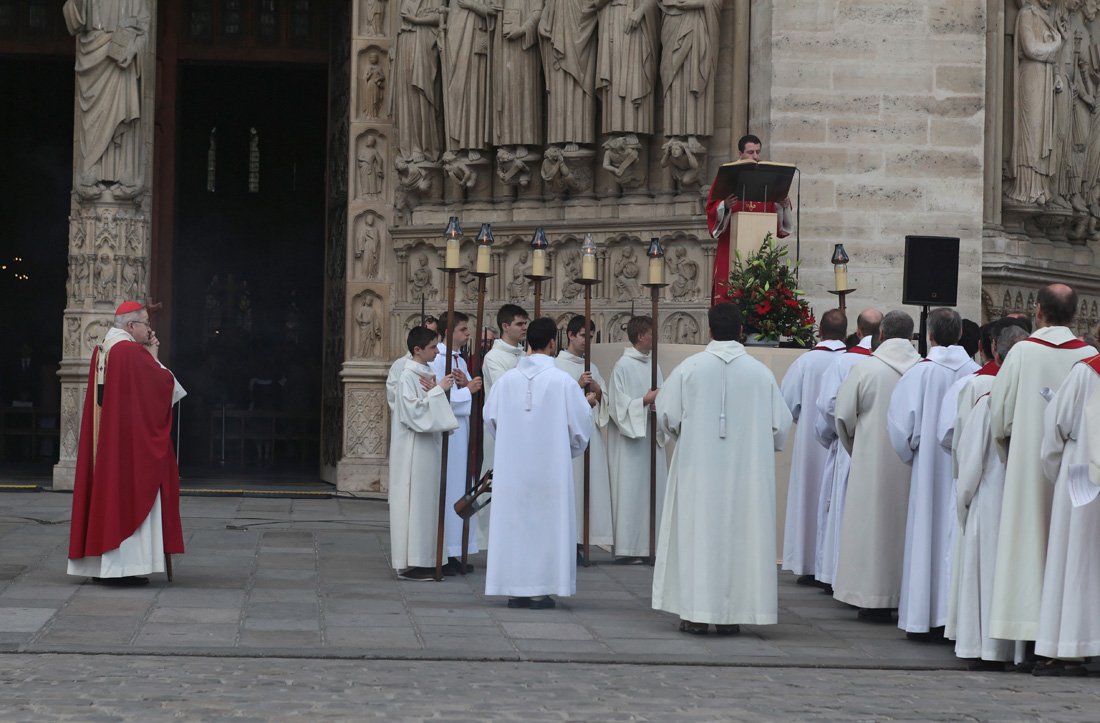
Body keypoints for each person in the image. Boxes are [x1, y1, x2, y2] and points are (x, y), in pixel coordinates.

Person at [651, 303, 793, 635]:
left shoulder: (690, 368)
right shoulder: (760, 373)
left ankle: (696, 613)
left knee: (698, 535)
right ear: (741, 330)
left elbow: (667, 415)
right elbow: (780, 426)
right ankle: (734, 615)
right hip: (747, 475)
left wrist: (690, 436)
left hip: (697, 472)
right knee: (741, 536)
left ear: (710, 330)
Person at [988, 284, 1097, 651]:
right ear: (1076, 314)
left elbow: (999, 415)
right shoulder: (1088, 356)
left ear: (1037, 311)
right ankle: (1063, 635)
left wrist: (1010, 452)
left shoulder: (1021, 353)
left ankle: (1026, 631)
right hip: (1079, 476)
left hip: (1027, 470)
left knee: (1027, 544)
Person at [68, 301, 187, 585]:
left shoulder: (104, 348)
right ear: (131, 326)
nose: (150, 328)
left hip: (111, 442)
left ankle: (102, 567)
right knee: (131, 494)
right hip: (129, 448)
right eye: (146, 323)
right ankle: (124, 568)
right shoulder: (130, 352)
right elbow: (163, 387)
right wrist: (154, 355)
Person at [484, 318, 592, 609]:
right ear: (553, 343)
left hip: (513, 469)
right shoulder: (563, 382)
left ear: (527, 342)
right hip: (550, 469)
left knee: (516, 524)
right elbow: (581, 428)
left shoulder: (506, 381)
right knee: (546, 524)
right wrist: (563, 450)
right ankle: (539, 589)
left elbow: (491, 420)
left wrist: (510, 444)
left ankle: (515, 588)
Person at [887, 308, 979, 640]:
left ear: (930, 336)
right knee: (955, 539)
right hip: (963, 471)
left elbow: (900, 428)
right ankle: (952, 618)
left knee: (927, 536)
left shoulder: (919, 373)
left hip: (928, 470)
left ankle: (923, 618)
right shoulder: (977, 373)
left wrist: (915, 454)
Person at [946, 323, 1028, 670]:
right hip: (1023, 504)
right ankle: (1019, 650)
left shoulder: (987, 401)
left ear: (996, 352)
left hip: (989, 500)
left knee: (986, 576)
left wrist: (963, 504)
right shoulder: (1035, 401)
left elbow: (968, 465)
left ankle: (987, 650)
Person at [832, 310, 921, 622]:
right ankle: (909, 597)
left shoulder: (865, 368)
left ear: (880, 335)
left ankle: (871, 597)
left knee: (872, 530)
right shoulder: (923, 370)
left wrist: (859, 450)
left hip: (871, 463)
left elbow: (843, 417)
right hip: (914, 467)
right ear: (911, 336)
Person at [1034, 349, 1100, 675]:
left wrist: (1053, 471)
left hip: (1082, 474)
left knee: (1076, 559)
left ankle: (1072, 646)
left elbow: (1056, 425)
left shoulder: (1086, 372)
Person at [813, 308, 881, 588]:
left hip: (848, 444)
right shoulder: (908, 362)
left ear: (859, 329)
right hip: (883, 450)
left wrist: (838, 435)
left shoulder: (844, 362)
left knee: (842, 508)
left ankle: (835, 572)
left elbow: (829, 405)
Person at [779, 308, 847, 586]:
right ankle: (831, 567)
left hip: (810, 446)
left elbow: (787, 403)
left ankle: (807, 564)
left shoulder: (805, 362)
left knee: (808, 499)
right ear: (845, 333)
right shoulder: (851, 361)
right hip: (841, 443)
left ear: (819, 331)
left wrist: (805, 420)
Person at [388, 326, 459, 581]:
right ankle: (414, 561)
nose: (437, 350)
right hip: (414, 450)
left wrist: (435, 391)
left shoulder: (425, 371)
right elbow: (412, 412)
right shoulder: (408, 375)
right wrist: (438, 390)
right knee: (416, 503)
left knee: (428, 504)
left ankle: (429, 558)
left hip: (428, 446)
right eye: (432, 347)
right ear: (417, 349)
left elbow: (428, 403)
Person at [706, 134, 794, 303]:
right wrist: (725, 205)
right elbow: (711, 209)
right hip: (731, 247)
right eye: (750, 152)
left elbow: (778, 224)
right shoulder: (727, 175)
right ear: (740, 153)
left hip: (759, 248)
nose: (755, 156)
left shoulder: (767, 179)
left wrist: (783, 204)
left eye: (758, 152)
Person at [607, 316, 666, 563]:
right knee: (631, 491)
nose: (656, 338)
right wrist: (644, 401)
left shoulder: (655, 365)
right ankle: (629, 548)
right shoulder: (622, 366)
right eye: (652, 333)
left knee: (653, 491)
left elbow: (663, 396)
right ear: (640, 336)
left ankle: (653, 546)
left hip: (651, 435)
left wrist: (658, 405)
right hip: (631, 444)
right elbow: (617, 406)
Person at [555, 315, 614, 551]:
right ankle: (568, 538)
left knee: (587, 487)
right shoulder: (557, 366)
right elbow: (554, 400)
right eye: (583, 336)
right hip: (567, 436)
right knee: (571, 485)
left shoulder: (593, 367)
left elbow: (603, 403)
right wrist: (578, 387)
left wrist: (598, 392)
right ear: (570, 335)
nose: (587, 341)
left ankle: (583, 538)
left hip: (589, 434)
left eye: (591, 337)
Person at [430, 312, 483, 573]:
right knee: (450, 487)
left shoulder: (459, 359)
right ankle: (447, 552)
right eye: (463, 329)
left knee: (463, 487)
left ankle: (458, 549)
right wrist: (468, 391)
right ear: (448, 332)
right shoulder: (438, 359)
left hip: (463, 434)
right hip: (450, 434)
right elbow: (438, 398)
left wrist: (467, 387)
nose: (468, 334)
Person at [478, 305, 530, 545]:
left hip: (524, 429)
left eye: (526, 323)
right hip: (501, 429)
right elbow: (506, 389)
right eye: (520, 324)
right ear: (505, 326)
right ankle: (491, 540)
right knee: (497, 483)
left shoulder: (523, 355)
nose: (524, 328)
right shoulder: (494, 357)